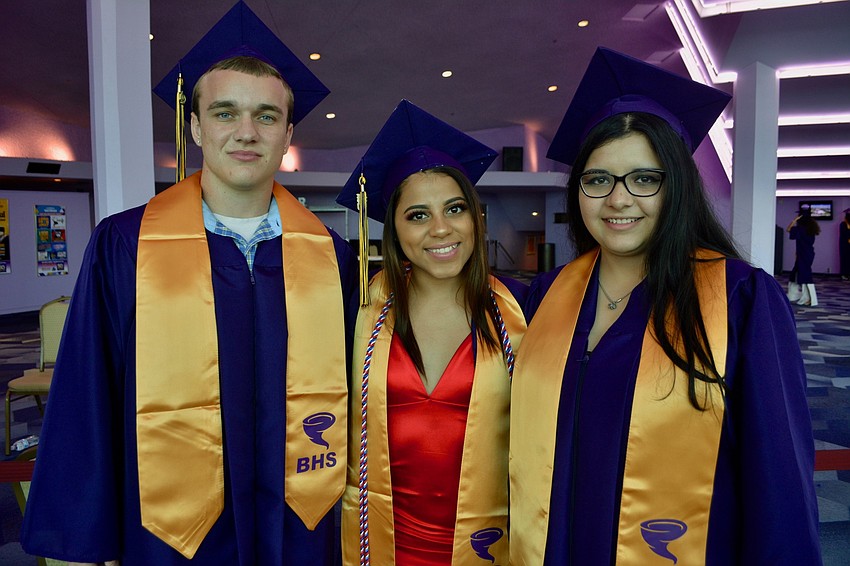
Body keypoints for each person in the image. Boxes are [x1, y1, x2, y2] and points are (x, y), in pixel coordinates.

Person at [21, 3, 357, 565]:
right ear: (196, 125)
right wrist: (87, 539)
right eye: (225, 113)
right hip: (172, 535)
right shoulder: (125, 246)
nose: (246, 133)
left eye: (267, 116)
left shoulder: (332, 256)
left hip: (302, 528)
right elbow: (87, 393)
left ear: (288, 132)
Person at [510, 47, 822, 565]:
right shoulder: (544, 297)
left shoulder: (741, 301)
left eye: (644, 178)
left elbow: (780, 483)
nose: (618, 199)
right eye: (598, 179)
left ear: (676, 186)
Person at [335, 100, 527, 565]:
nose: (441, 229)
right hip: (376, 538)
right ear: (394, 230)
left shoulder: (523, 310)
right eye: (417, 215)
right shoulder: (356, 310)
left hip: (487, 542)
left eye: (455, 209)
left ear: (475, 218)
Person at [786, 204, 821, 306]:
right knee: (796, 274)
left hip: (803, 254)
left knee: (805, 275)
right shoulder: (811, 228)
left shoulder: (800, 228)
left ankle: (810, 299)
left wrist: (794, 220)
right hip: (807, 253)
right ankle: (795, 296)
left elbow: (788, 230)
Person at [840, 207, 850, 280]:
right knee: (845, 259)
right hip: (845, 245)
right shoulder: (843, 224)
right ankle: (844, 274)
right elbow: (846, 234)